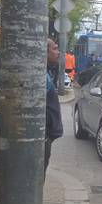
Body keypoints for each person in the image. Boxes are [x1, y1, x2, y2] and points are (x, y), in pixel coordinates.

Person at [45, 39, 64, 171]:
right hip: (41, 138)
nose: (58, 52)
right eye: (55, 48)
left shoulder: (46, 72)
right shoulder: (39, 76)